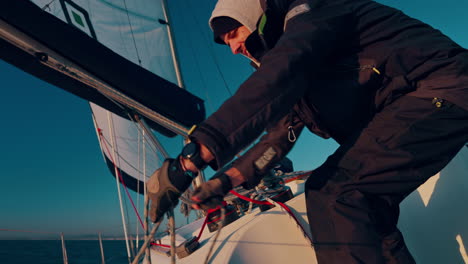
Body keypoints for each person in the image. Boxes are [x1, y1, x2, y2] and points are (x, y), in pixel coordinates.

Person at [147, 0, 468, 263]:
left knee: (336, 192)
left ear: (254, 14)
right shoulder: (298, 67)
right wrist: (224, 181)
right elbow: (277, 141)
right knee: (359, 212)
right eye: (225, 41)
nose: (232, 48)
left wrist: (190, 160)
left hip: (445, 87)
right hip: (417, 105)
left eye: (232, 33)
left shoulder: (311, 13)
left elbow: (285, 68)